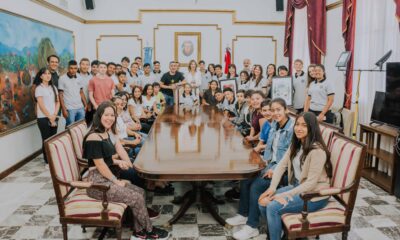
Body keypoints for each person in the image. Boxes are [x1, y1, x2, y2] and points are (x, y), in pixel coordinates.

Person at [82, 101, 169, 240]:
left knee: (140, 191)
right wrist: (116, 181)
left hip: (106, 178)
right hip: (98, 184)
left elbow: (115, 152)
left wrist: (128, 163)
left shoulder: (106, 132)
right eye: (106, 115)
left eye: (112, 115)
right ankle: (146, 231)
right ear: (99, 116)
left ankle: (139, 229)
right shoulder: (93, 137)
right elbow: (100, 165)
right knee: (136, 197)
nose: (110, 118)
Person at [227, 98, 294, 240]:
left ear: (286, 110)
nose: (274, 113)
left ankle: (252, 227)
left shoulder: (292, 129)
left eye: (278, 110)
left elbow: (291, 157)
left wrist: (274, 169)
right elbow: (270, 148)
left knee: (257, 186)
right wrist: (264, 161)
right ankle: (243, 214)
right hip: (271, 164)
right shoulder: (275, 125)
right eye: (272, 110)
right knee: (246, 179)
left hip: (286, 171)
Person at [258, 112, 332, 240]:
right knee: (262, 202)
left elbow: (311, 184)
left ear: (312, 128)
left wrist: (285, 194)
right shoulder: (297, 144)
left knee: (272, 207)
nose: (299, 128)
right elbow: (281, 166)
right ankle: (280, 234)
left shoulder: (317, 151)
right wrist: (272, 188)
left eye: (304, 125)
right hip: (299, 187)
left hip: (314, 195)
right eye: (297, 124)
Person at [34, 68, 59, 167]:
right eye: (45, 74)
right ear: (41, 76)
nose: (48, 75)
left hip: (54, 116)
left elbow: (58, 102)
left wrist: (54, 115)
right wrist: (50, 117)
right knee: (46, 139)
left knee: (53, 139)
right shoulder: (39, 88)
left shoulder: (53, 87)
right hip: (43, 118)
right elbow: (41, 104)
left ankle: (53, 158)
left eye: (49, 73)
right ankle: (47, 161)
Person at [58, 60, 87, 126]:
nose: (73, 70)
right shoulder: (62, 78)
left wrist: (85, 105)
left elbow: (81, 92)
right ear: (68, 68)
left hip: (80, 107)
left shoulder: (79, 77)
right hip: (69, 108)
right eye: (71, 68)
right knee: (70, 127)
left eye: (75, 68)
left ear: (77, 68)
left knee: (80, 126)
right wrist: (64, 109)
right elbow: (60, 94)